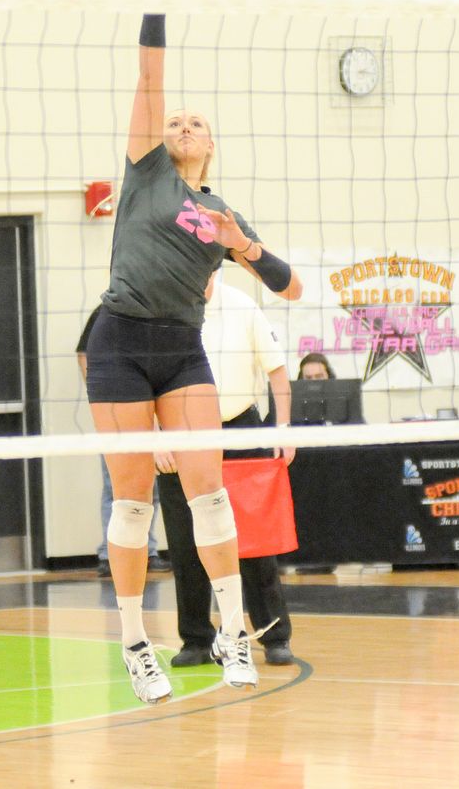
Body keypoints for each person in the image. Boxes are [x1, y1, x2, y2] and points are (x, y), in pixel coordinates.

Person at [84, 0, 302, 704]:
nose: (181, 125)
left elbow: (289, 286)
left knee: (209, 491)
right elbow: (150, 73)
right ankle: (134, 643)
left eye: (195, 123)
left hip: (180, 349)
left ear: (211, 145)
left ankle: (234, 633)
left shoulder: (218, 213)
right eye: (175, 120)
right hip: (119, 340)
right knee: (133, 498)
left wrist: (244, 246)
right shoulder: (145, 172)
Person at [157, 271, 297, 669]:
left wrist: (283, 428)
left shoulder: (242, 305)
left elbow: (277, 370)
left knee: (254, 541)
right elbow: (145, 382)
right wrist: (155, 437)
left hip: (239, 430)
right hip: (181, 433)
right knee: (185, 542)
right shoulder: (162, 311)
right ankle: (196, 640)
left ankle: (274, 636)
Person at [76, 305, 164, 578]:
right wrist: (100, 392)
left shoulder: (157, 312)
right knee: (115, 488)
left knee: (150, 487)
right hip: (116, 412)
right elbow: (83, 353)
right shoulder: (106, 311)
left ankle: (147, 550)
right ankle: (109, 554)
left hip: (151, 412)